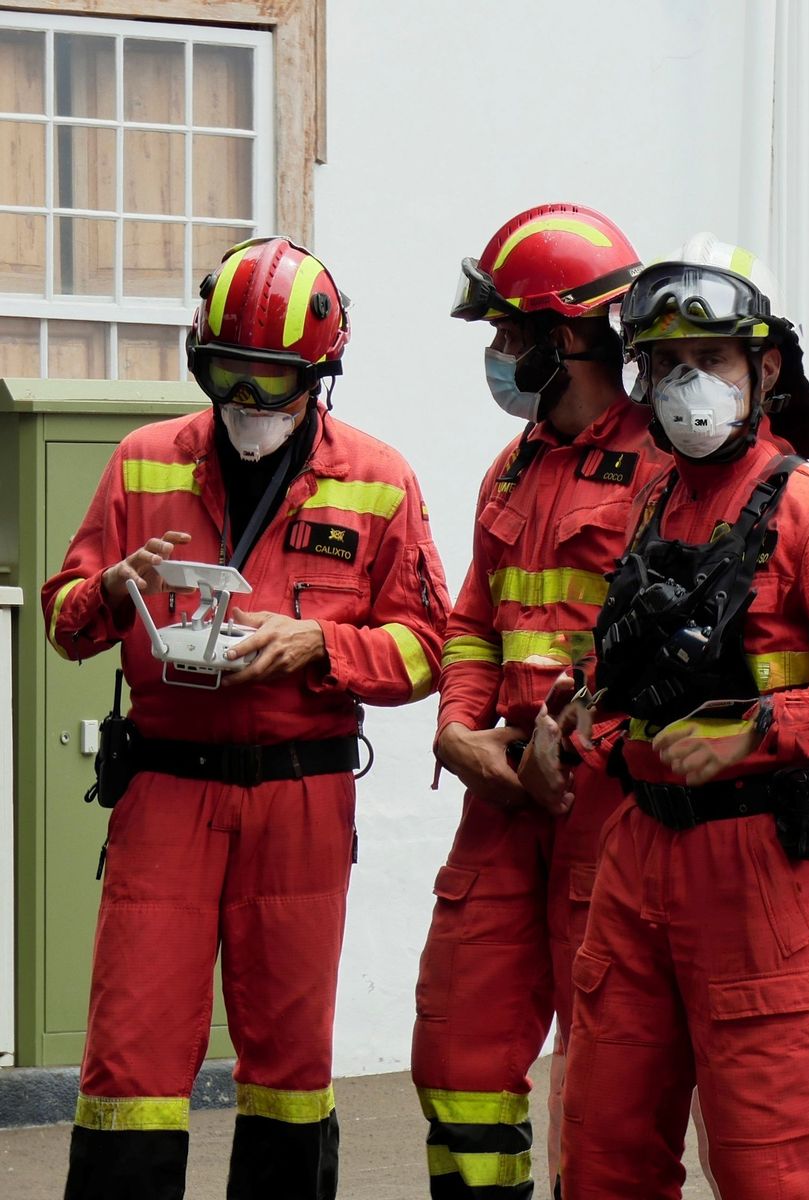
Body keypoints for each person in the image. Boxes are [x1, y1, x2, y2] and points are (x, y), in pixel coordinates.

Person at [41, 235, 451, 1200]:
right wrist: (110, 589)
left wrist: (321, 646)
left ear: (319, 376)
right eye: (229, 372)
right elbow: (63, 623)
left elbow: (430, 647)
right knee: (131, 1054)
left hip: (300, 798)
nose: (248, 400)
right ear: (200, 358)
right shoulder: (144, 463)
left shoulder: (379, 479)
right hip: (166, 791)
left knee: (289, 1061)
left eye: (273, 379)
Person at [550, 236, 809, 1197]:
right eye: (666, 365)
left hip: (758, 868)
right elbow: (634, 661)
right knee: (602, 1154)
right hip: (637, 849)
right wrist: (586, 711)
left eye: (712, 359)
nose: (687, 386)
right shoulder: (654, 503)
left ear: (764, 370)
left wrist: (758, 730)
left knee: (767, 1166)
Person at [415, 203, 668, 1200]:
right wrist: (457, 731)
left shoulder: (666, 467)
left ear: (569, 339)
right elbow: (473, 623)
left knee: (605, 1081)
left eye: (511, 335)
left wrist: (571, 742)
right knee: (456, 1049)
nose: (499, 356)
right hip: (503, 797)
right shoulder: (511, 468)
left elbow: (672, 644)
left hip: (607, 804)